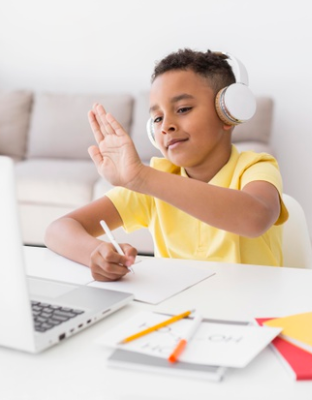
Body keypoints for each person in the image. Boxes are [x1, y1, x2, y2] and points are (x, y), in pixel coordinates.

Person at [45, 48, 288, 282]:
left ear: (228, 113)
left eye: (183, 109)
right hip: (181, 312)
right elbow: (57, 230)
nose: (165, 126)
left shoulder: (255, 167)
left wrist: (142, 179)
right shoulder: (155, 182)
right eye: (157, 118)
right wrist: (95, 253)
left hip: (253, 315)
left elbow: (255, 219)